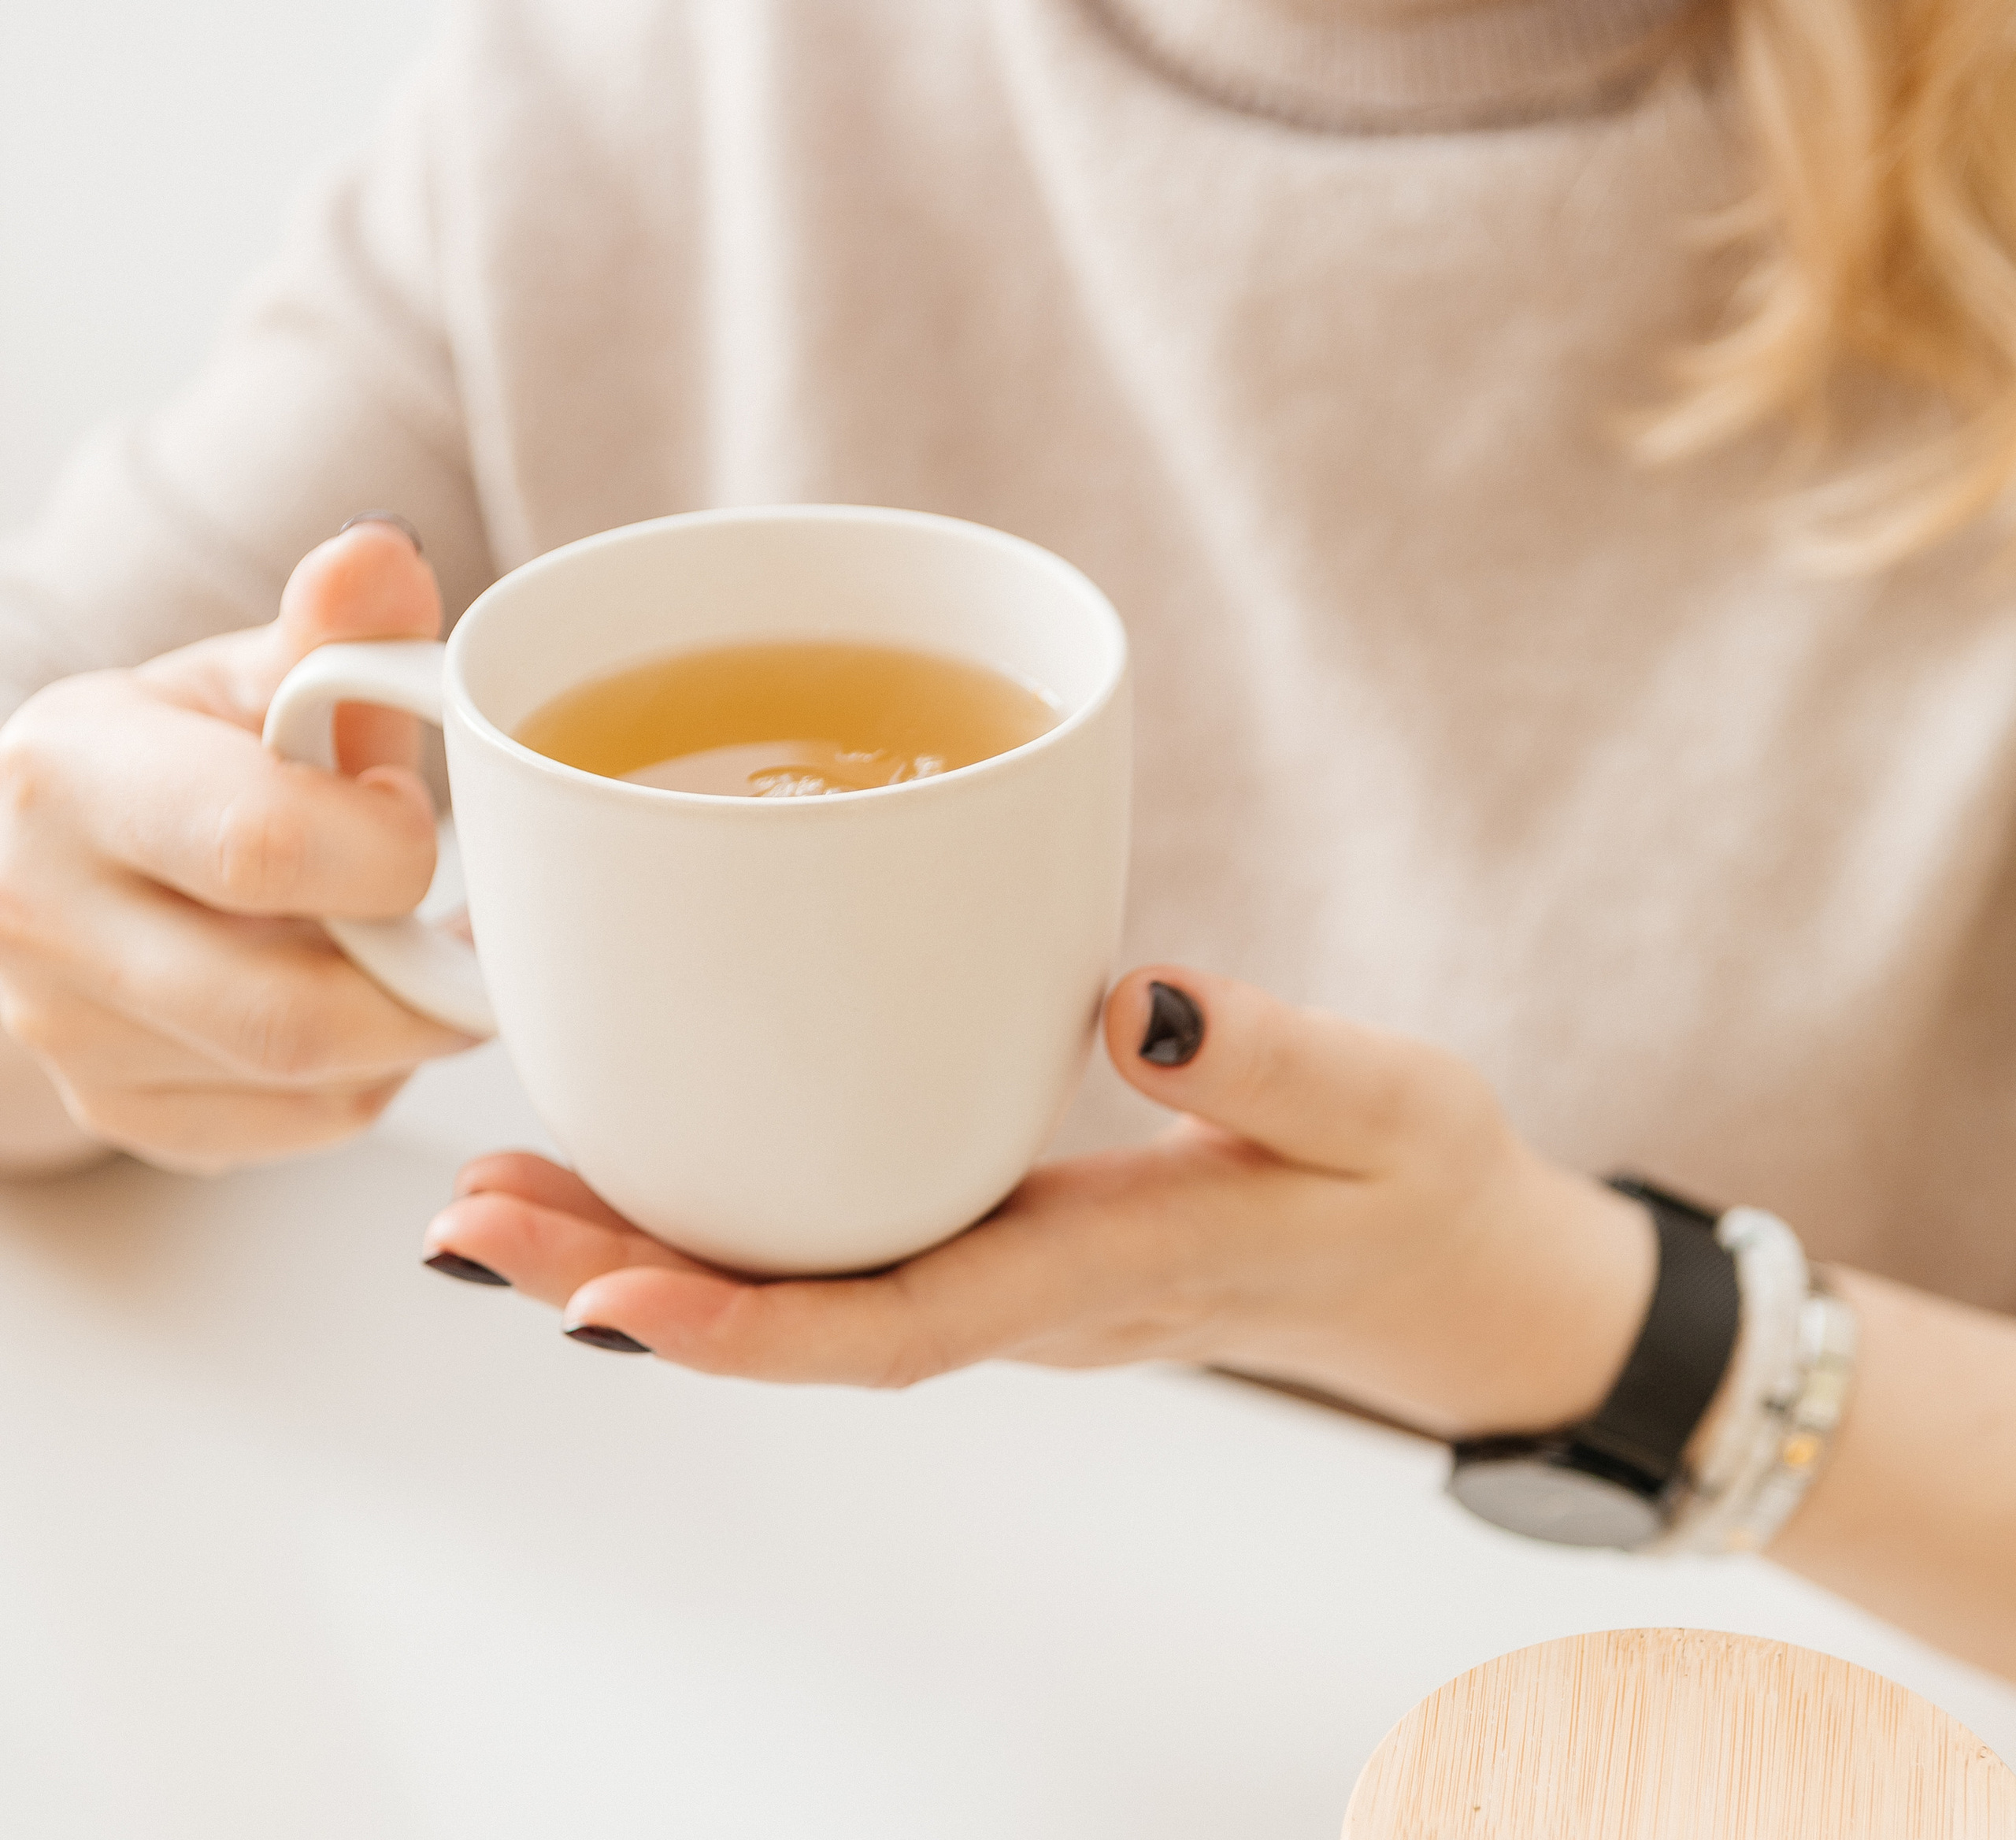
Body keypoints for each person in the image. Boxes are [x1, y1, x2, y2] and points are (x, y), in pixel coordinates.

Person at [0, 0, 2011, 1677]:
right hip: (828, 1721)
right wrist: (92, 935)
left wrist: (1587, 1318)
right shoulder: (648, 92)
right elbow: (75, 735)